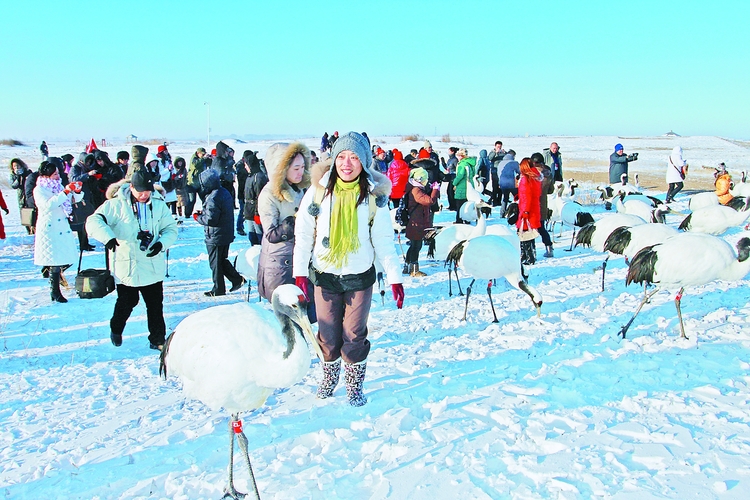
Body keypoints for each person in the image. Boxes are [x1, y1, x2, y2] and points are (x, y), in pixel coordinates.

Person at [293, 131, 404, 407]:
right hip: (325, 275)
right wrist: (299, 273)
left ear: (364, 162)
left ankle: (354, 385)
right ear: (333, 160)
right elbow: (304, 234)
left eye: (354, 157)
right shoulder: (318, 191)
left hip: (359, 277)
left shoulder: (374, 196)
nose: (347, 163)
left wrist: (395, 279)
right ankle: (329, 377)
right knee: (328, 335)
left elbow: (383, 241)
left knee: (354, 334)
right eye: (341, 156)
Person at [86, 168, 178, 350]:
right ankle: (116, 328)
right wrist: (108, 237)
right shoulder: (115, 205)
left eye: (148, 192)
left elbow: (170, 229)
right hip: (126, 263)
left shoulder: (159, 205)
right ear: (131, 187)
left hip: (151, 263)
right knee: (127, 302)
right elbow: (93, 220)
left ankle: (157, 339)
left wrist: (161, 244)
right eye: (140, 191)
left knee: (155, 305)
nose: (144, 195)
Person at [256, 142, 315, 319]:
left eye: (303, 167)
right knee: (290, 318)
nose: (300, 172)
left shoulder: (301, 188)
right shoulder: (269, 195)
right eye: (296, 168)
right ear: (281, 169)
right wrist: (296, 221)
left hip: (299, 260)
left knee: (307, 315)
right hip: (280, 265)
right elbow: (271, 234)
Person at [33, 160, 84, 302]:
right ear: (46, 175)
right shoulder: (39, 190)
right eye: (54, 174)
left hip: (61, 226)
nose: (57, 176)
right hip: (50, 229)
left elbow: (71, 200)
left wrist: (77, 191)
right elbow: (48, 205)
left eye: (57, 173)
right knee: (55, 260)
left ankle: (53, 282)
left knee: (64, 258)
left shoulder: (58, 186)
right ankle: (55, 291)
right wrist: (65, 191)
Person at [195, 169, 245, 296]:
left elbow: (211, 219)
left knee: (215, 263)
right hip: (224, 233)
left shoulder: (213, 197)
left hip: (216, 235)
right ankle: (237, 280)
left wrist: (198, 217)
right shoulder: (223, 192)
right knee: (221, 260)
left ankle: (219, 289)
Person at [403, 167, 440, 277]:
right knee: (416, 246)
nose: (426, 181)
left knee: (414, 245)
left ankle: (407, 266)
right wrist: (435, 190)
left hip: (416, 221)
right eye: (425, 179)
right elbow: (429, 201)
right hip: (416, 222)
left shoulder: (415, 187)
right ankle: (414, 270)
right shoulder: (416, 190)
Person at [516, 157, 543, 265]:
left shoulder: (525, 179)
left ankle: (527, 257)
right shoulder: (535, 177)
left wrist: (525, 212)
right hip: (534, 208)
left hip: (527, 209)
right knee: (530, 235)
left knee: (523, 234)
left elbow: (526, 196)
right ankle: (531, 255)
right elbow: (531, 194)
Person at [531, 152, 555, 258]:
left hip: (531, 205)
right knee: (541, 228)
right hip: (542, 205)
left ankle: (531, 252)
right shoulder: (548, 174)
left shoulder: (531, 174)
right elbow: (551, 190)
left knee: (529, 229)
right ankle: (549, 247)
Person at [452, 148, 476, 223]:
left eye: (459, 155)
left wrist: (454, 183)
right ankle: (467, 219)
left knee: (460, 204)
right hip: (469, 186)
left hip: (462, 187)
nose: (458, 157)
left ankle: (459, 220)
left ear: (461, 156)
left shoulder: (462, 164)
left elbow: (460, 175)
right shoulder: (470, 163)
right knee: (467, 204)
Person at [186, 147, 208, 217]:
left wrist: (210, 158)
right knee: (192, 200)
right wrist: (203, 159)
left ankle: (206, 211)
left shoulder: (202, 159)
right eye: (202, 154)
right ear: (198, 153)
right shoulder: (194, 158)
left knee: (205, 198)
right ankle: (187, 214)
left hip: (200, 182)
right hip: (192, 183)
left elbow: (208, 164)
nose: (203, 155)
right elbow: (195, 165)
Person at [497, 150, 520, 217]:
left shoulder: (500, 163)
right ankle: (517, 211)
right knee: (517, 197)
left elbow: (498, 173)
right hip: (511, 184)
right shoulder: (514, 163)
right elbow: (520, 171)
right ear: (513, 156)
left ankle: (502, 213)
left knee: (505, 198)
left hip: (502, 183)